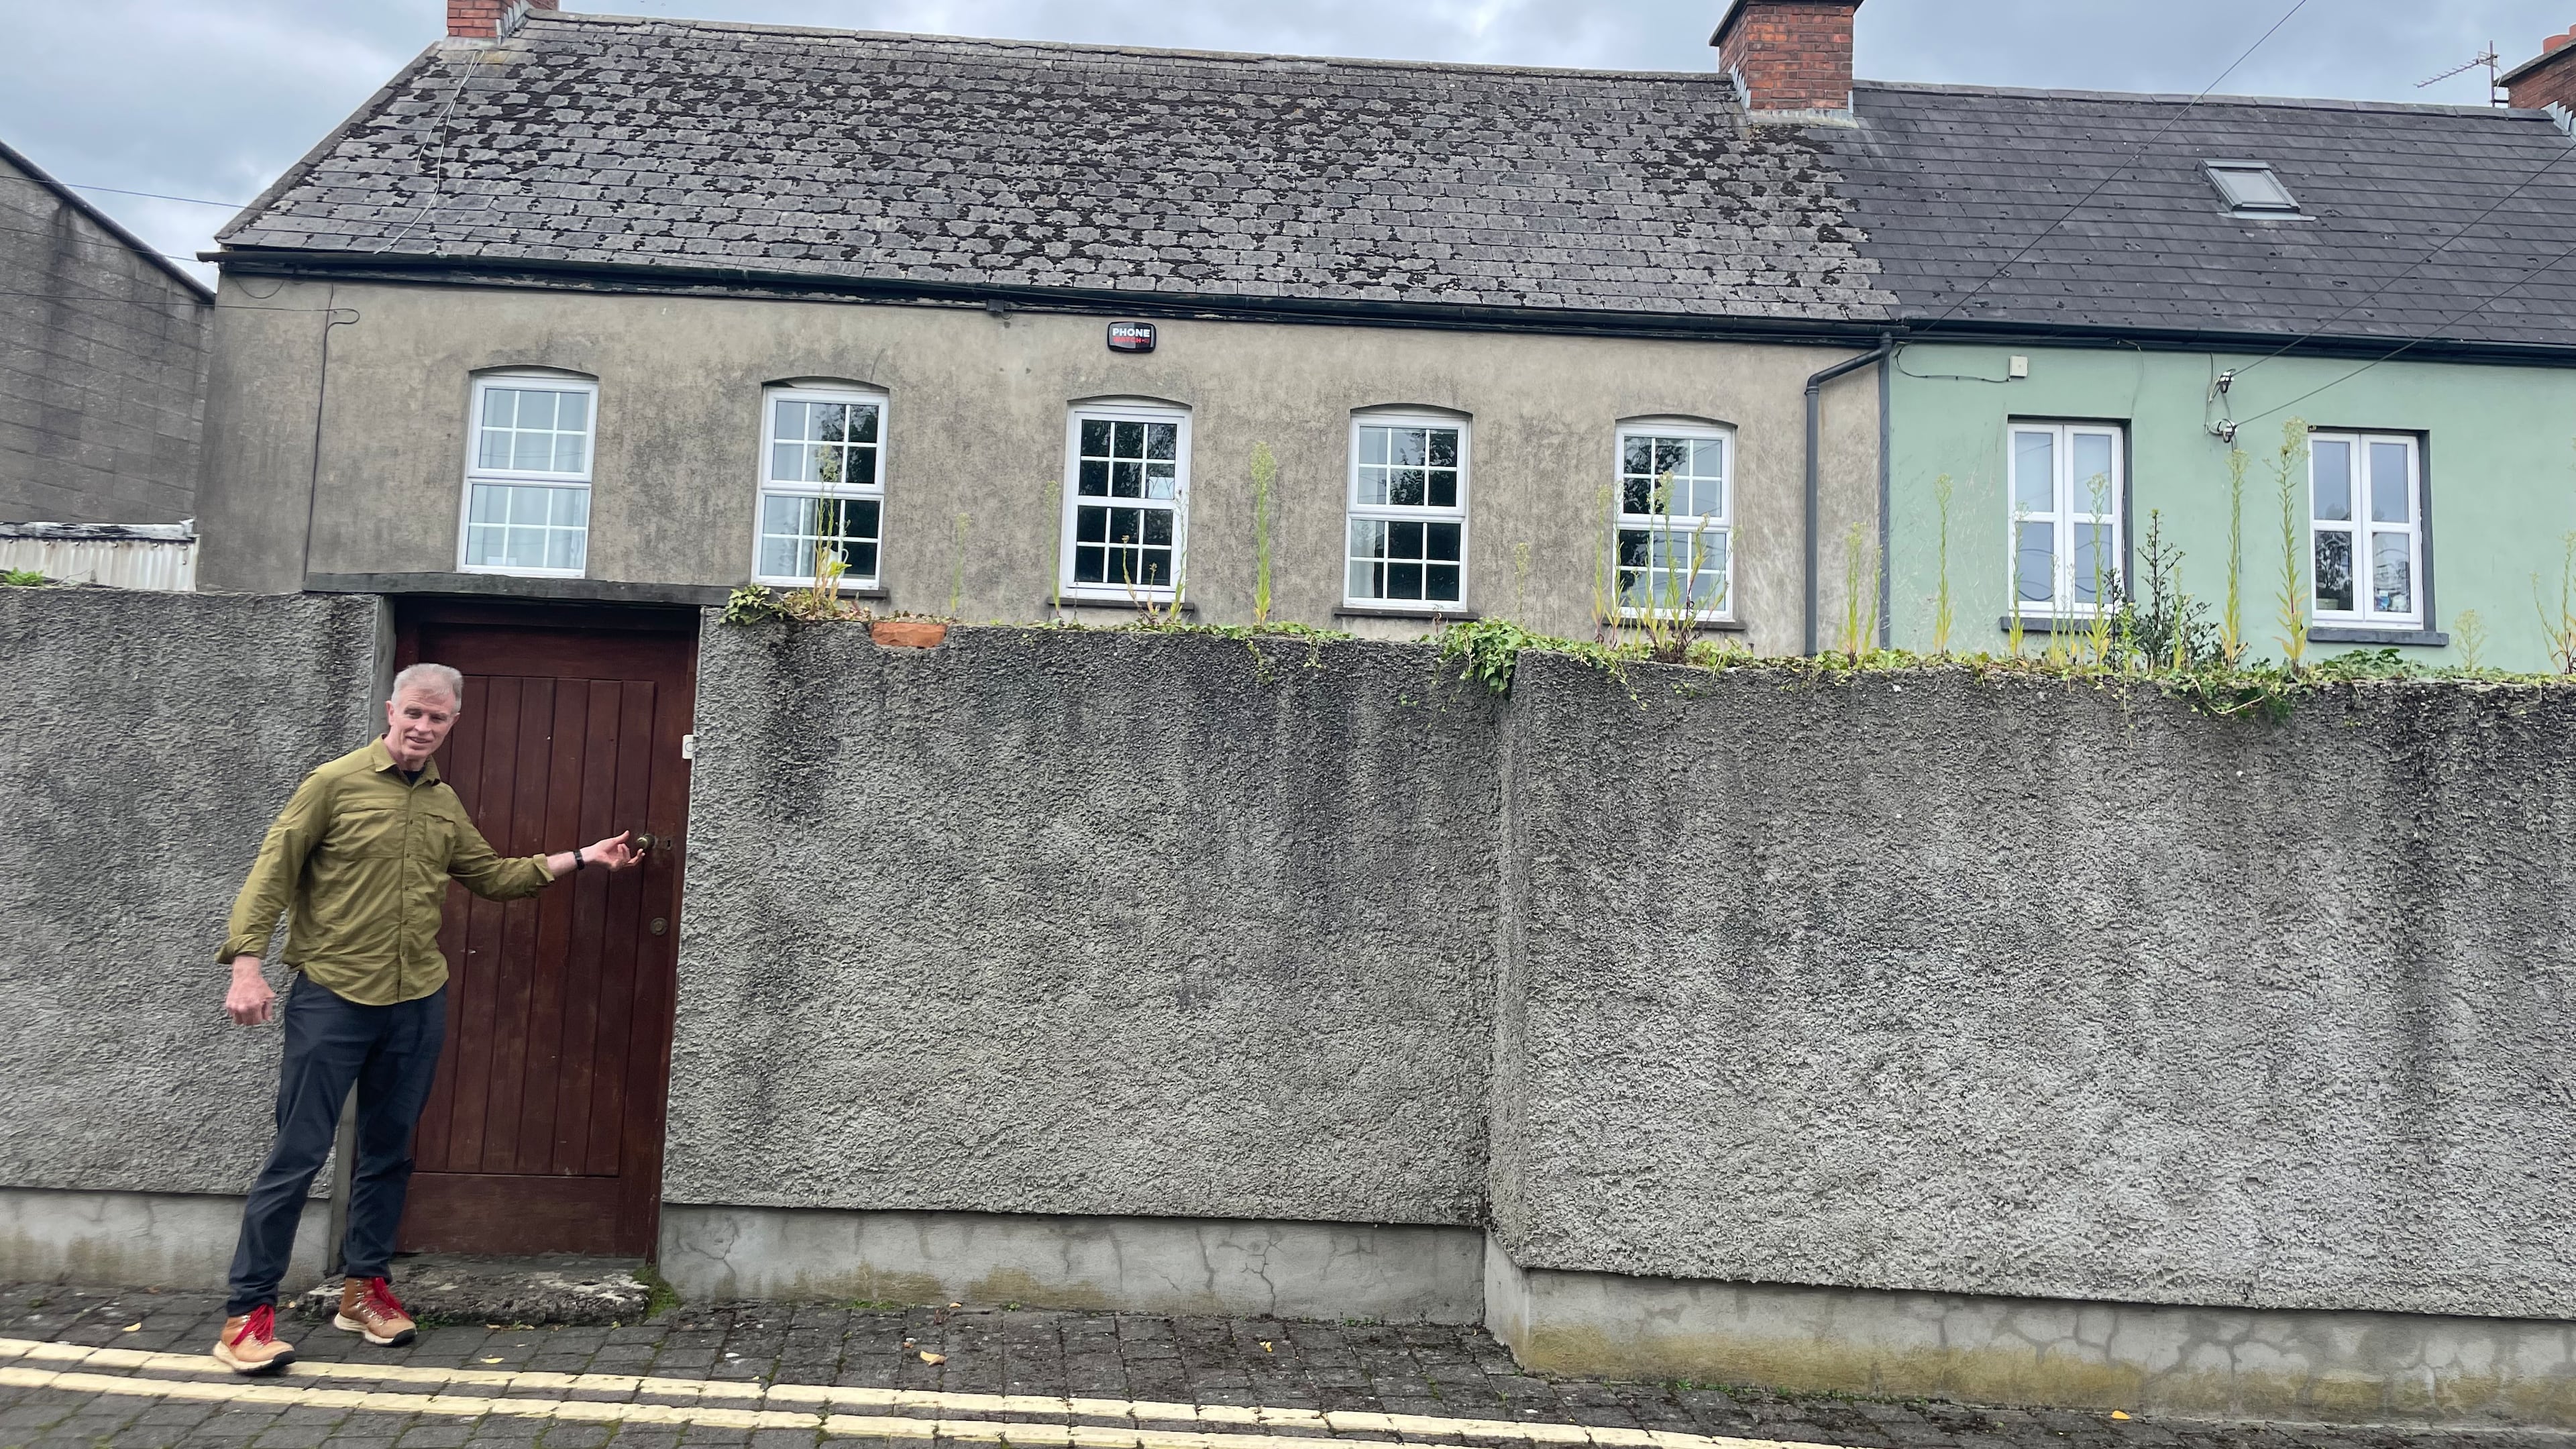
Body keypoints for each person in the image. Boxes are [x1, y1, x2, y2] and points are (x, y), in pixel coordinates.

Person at [208, 662, 641, 1375]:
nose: (422, 727)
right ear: (391, 709)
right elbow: (272, 873)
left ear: (451, 724)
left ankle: (364, 1291)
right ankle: (248, 1313)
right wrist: (247, 967)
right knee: (298, 1154)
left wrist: (583, 857)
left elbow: (493, 876)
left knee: (389, 1154)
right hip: (334, 996)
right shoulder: (333, 783)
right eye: (413, 713)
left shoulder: (444, 804)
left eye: (436, 719)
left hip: (415, 1003)